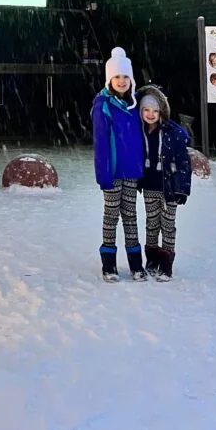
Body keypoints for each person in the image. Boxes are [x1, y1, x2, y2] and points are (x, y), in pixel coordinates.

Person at [91, 47, 146, 282]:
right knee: (111, 216)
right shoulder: (103, 105)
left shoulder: (136, 105)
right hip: (112, 172)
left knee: (131, 215)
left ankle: (136, 264)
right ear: (109, 79)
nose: (122, 81)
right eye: (117, 77)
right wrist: (103, 174)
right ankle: (109, 265)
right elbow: (100, 143)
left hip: (132, 171)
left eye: (125, 77)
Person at [135, 84, 192, 281]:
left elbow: (184, 162)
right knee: (152, 224)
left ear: (162, 111)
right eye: (146, 110)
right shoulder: (139, 132)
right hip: (149, 185)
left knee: (168, 225)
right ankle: (151, 259)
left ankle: (166, 264)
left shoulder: (172, 133)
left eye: (155, 110)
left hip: (169, 187)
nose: (150, 114)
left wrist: (182, 189)